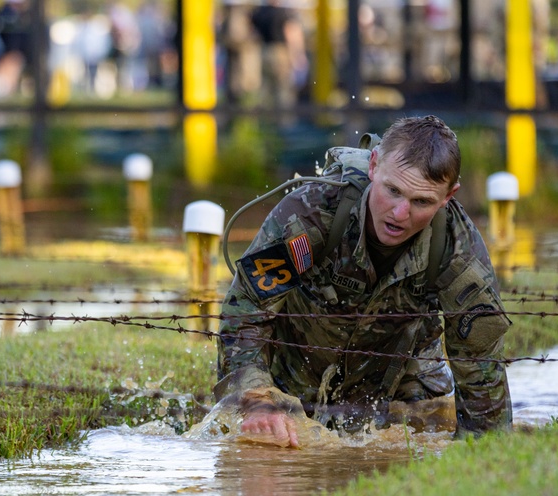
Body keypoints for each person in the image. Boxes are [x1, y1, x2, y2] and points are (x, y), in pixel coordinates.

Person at [215, 115, 512, 447]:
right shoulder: (312, 213)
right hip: (297, 369)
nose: (400, 213)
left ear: (448, 196)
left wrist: (480, 456)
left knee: (421, 436)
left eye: (421, 202)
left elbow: (481, 375)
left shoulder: (458, 249)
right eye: (393, 191)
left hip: (401, 380)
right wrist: (257, 400)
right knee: (265, 447)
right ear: (374, 167)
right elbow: (247, 310)